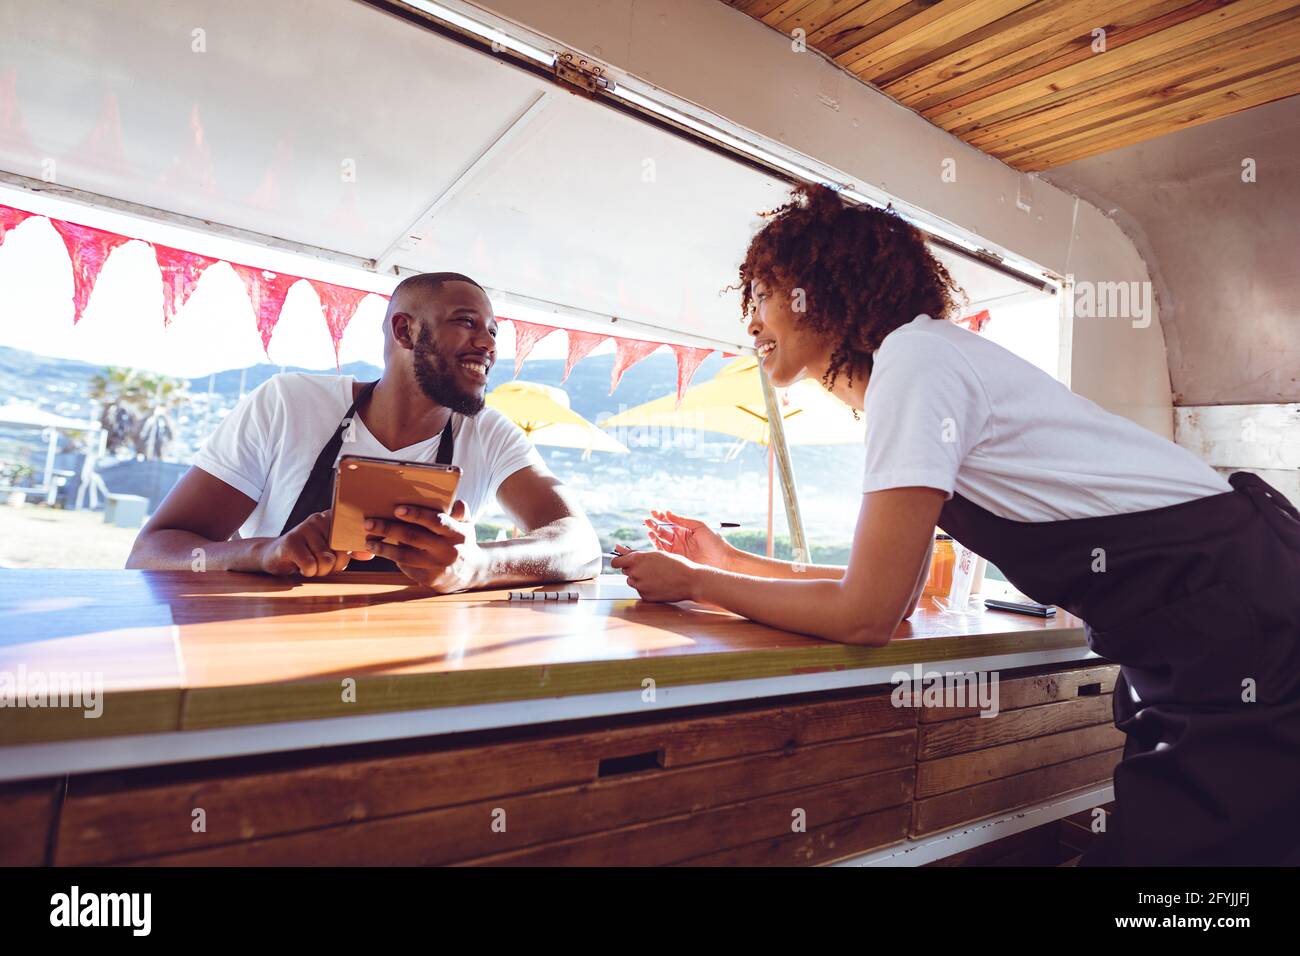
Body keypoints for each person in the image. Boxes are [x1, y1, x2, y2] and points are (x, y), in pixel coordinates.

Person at [612, 184, 1300, 866]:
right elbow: (891, 593)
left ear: (825, 286)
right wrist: (731, 561)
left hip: (1242, 622)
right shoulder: (923, 363)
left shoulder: (916, 363)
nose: (752, 318)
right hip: (1218, 618)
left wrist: (698, 583)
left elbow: (865, 615)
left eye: (765, 293)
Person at [128, 271, 601, 591]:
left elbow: (580, 546)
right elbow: (152, 550)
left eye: (494, 331)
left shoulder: (488, 433)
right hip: (264, 651)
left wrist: (477, 566)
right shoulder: (290, 404)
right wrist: (264, 551)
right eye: (467, 323)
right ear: (405, 331)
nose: (488, 343)